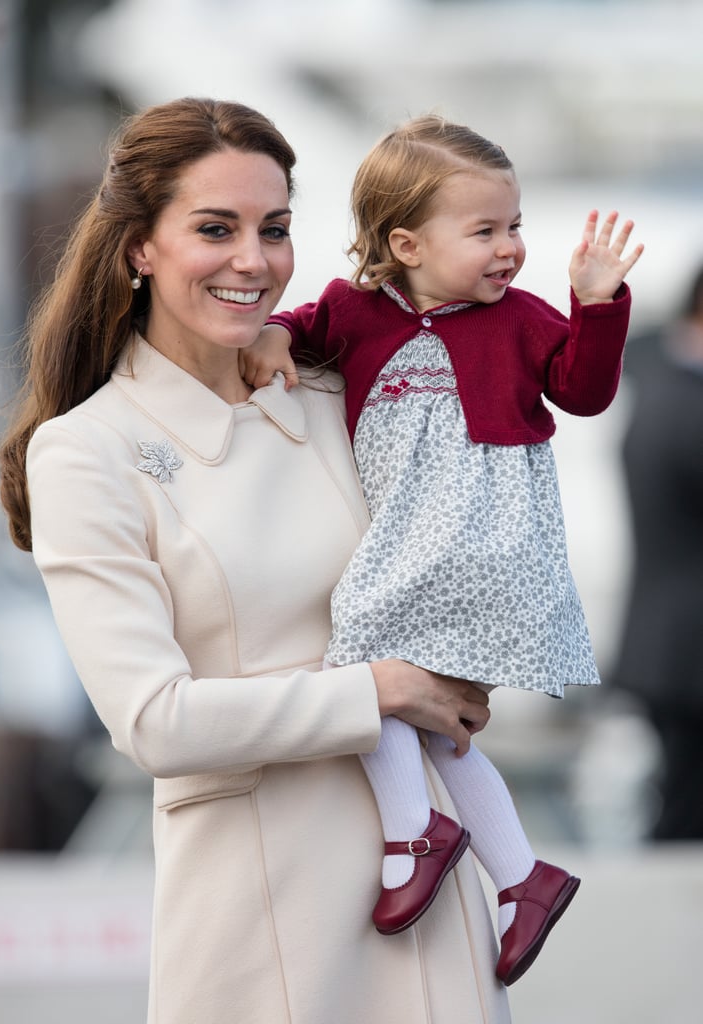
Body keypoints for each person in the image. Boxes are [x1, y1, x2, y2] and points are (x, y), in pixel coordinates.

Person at [0, 98, 513, 1024]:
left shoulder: (329, 389)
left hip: (428, 887)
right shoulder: (88, 451)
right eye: (214, 228)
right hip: (266, 919)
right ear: (138, 248)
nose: (253, 260)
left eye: (273, 229)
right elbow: (154, 721)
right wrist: (382, 691)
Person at [242, 114, 644, 985]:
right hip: (417, 544)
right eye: (486, 231)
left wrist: (596, 301)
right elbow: (296, 331)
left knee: (357, 661)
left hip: (483, 541)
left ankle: (412, 833)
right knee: (429, 720)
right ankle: (519, 876)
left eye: (515, 227)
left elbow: (582, 391)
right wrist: (273, 335)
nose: (509, 249)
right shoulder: (352, 312)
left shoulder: (523, 318)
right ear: (406, 242)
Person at [612, 264, 703, 840]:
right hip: (687, 649)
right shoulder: (686, 405)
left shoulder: (653, 374)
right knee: (683, 816)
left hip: (663, 639)